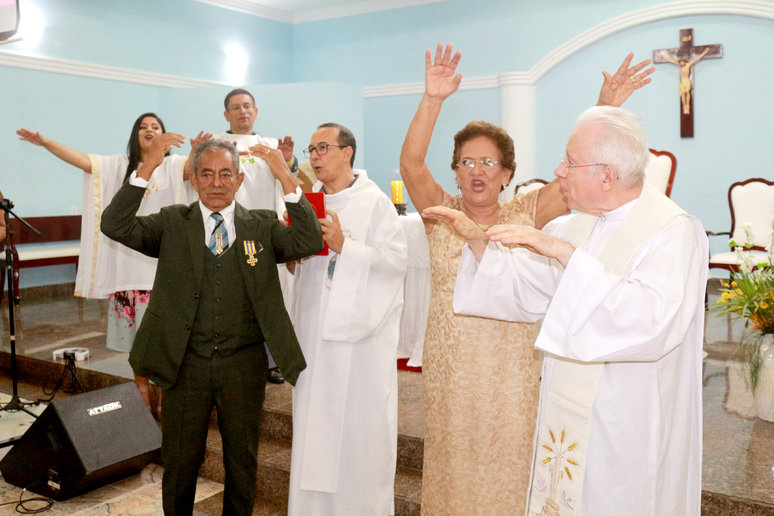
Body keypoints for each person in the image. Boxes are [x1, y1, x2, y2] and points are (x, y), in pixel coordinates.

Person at [398, 43, 654, 514]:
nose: (477, 170)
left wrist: (606, 105)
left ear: (507, 174)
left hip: (513, 369)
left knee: (511, 462)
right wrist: (432, 99)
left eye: (489, 163)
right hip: (452, 368)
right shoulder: (439, 214)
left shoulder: (528, 212)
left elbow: (579, 172)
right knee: (453, 463)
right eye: (467, 162)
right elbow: (412, 166)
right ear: (455, 173)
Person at [425, 105, 706, 515]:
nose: (558, 171)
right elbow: (524, 289)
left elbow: (653, 322)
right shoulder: (574, 225)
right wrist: (479, 243)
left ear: (607, 175)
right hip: (568, 417)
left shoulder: (671, 231)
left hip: (628, 422)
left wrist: (568, 257)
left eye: (570, 162)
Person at [100, 138, 322, 516]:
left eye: (225, 174)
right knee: (181, 462)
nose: (217, 183)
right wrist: (148, 168)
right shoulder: (172, 222)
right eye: (207, 174)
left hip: (243, 365)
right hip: (186, 366)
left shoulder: (262, 224)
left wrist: (285, 176)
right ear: (195, 180)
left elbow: (308, 238)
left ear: (239, 180)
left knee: (242, 461)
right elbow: (114, 224)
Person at [16, 114, 195, 409]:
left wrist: (198, 148)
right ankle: (142, 392)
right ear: (134, 134)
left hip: (165, 273)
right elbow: (83, 161)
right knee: (137, 344)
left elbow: (198, 168)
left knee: (168, 339)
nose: (149, 130)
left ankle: (167, 396)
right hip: (127, 272)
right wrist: (45, 142)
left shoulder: (175, 166)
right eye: (143, 127)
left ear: (165, 136)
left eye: (156, 127)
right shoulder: (117, 166)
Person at [287, 123, 407, 515]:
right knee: (313, 429)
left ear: (347, 152)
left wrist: (345, 247)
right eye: (311, 149)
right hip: (312, 333)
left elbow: (393, 267)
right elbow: (296, 273)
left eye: (323, 147)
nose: (315, 156)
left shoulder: (375, 204)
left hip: (360, 347)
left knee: (359, 433)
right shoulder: (305, 204)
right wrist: (295, 257)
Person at [186, 88, 301, 384]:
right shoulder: (215, 147)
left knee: (268, 298)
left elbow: (295, 181)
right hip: (225, 230)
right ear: (226, 114)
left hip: (263, 231)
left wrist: (287, 162)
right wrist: (194, 153)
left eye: (247, 106)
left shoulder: (269, 146)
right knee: (232, 297)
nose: (242, 111)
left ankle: (273, 362)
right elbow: (190, 180)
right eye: (235, 107)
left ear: (256, 111)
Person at [659, 47, 710, 114]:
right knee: (683, 93)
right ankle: (684, 107)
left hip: (687, 81)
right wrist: (664, 58)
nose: (680, 64)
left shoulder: (688, 65)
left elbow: (697, 59)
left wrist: (705, 52)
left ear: (684, 62)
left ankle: (687, 106)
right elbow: (672, 61)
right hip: (682, 82)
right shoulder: (680, 66)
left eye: (681, 62)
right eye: (679, 63)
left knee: (686, 92)